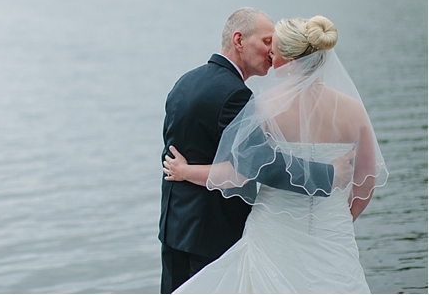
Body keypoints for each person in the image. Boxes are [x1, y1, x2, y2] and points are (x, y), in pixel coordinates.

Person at [165, 15, 388, 293]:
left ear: (291, 62)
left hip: (274, 232)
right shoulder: (354, 110)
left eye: (275, 49)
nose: (271, 55)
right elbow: (366, 181)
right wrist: (335, 219)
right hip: (333, 232)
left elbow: (238, 174)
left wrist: (185, 172)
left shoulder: (264, 108)